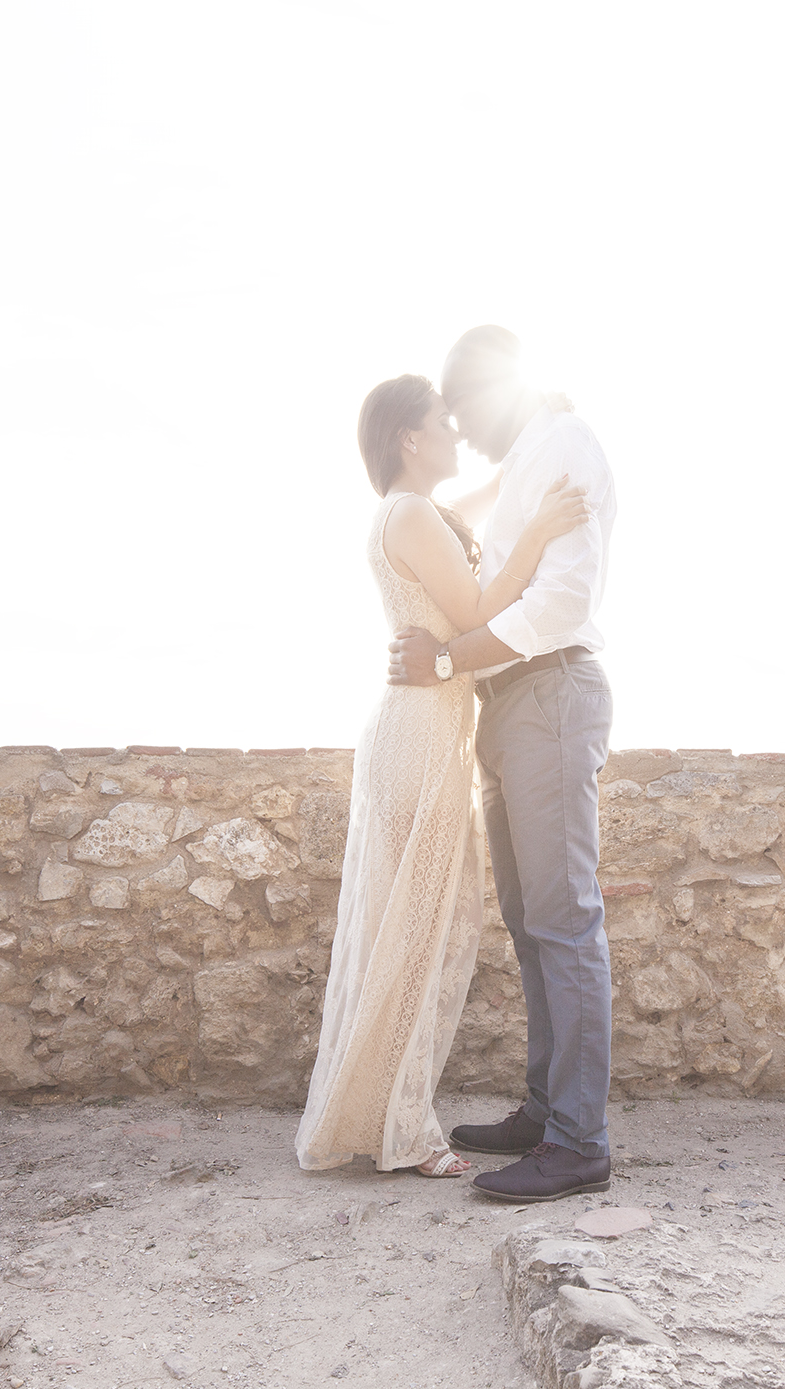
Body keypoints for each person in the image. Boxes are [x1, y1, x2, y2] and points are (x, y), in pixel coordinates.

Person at [295, 373, 589, 1179]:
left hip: (421, 730)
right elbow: (478, 611)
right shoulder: (413, 514)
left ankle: (376, 1110)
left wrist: (537, 427)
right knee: (415, 937)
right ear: (409, 440)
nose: (458, 437)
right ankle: (406, 1129)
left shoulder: (410, 512)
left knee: (404, 930)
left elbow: (487, 494)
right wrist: (540, 531)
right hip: (422, 736)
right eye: (442, 427)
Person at [388, 326, 617, 1205]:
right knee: (530, 921)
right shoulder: (530, 451)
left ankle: (579, 1141)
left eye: (464, 413)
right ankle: (544, 1109)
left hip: (550, 690)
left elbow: (559, 601)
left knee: (565, 921)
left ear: (495, 393)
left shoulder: (562, 446)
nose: (464, 431)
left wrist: (451, 661)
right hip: (512, 701)